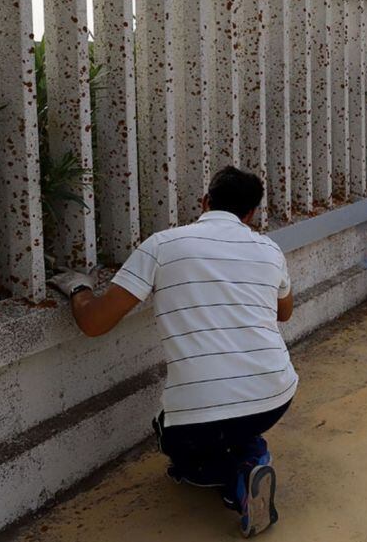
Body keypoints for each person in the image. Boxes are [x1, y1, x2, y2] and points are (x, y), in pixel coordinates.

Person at [47, 166, 296, 537]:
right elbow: (284, 312)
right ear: (251, 214)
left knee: (175, 443)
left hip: (201, 411)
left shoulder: (163, 245)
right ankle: (252, 454)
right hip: (276, 395)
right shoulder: (269, 249)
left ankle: (237, 482)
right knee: (237, 419)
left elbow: (95, 323)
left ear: (204, 202)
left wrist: (78, 288)